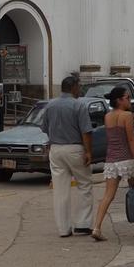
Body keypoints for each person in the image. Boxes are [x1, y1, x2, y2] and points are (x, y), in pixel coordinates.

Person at [41, 75, 93, 238]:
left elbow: (45, 128)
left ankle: (63, 228)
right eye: (79, 86)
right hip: (75, 148)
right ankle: (82, 224)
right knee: (84, 185)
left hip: (56, 149)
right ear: (73, 87)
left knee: (60, 190)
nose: (80, 90)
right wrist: (88, 151)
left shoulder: (50, 105)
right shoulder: (79, 105)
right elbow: (86, 131)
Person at [92, 86, 134, 241]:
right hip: (126, 159)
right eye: (127, 98)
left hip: (111, 160)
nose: (130, 100)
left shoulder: (107, 116)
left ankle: (97, 227)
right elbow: (131, 140)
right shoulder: (127, 116)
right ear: (119, 100)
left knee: (108, 195)